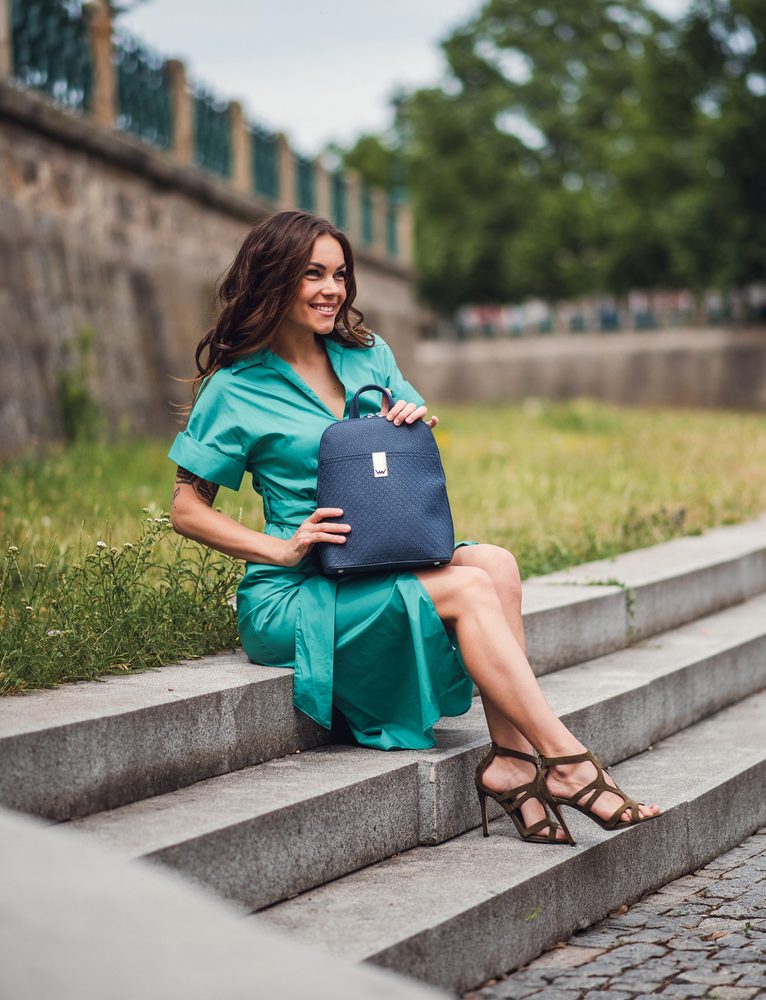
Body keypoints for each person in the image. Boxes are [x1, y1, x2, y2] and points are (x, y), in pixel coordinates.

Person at [169, 210, 660, 845]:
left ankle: (512, 762)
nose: (331, 290)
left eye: (339, 274)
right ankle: (567, 762)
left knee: (498, 565)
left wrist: (410, 423)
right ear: (274, 279)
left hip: (381, 558)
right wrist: (280, 548)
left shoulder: (367, 355)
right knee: (471, 589)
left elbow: (399, 464)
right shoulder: (237, 388)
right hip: (299, 596)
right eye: (312, 274)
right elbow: (187, 507)